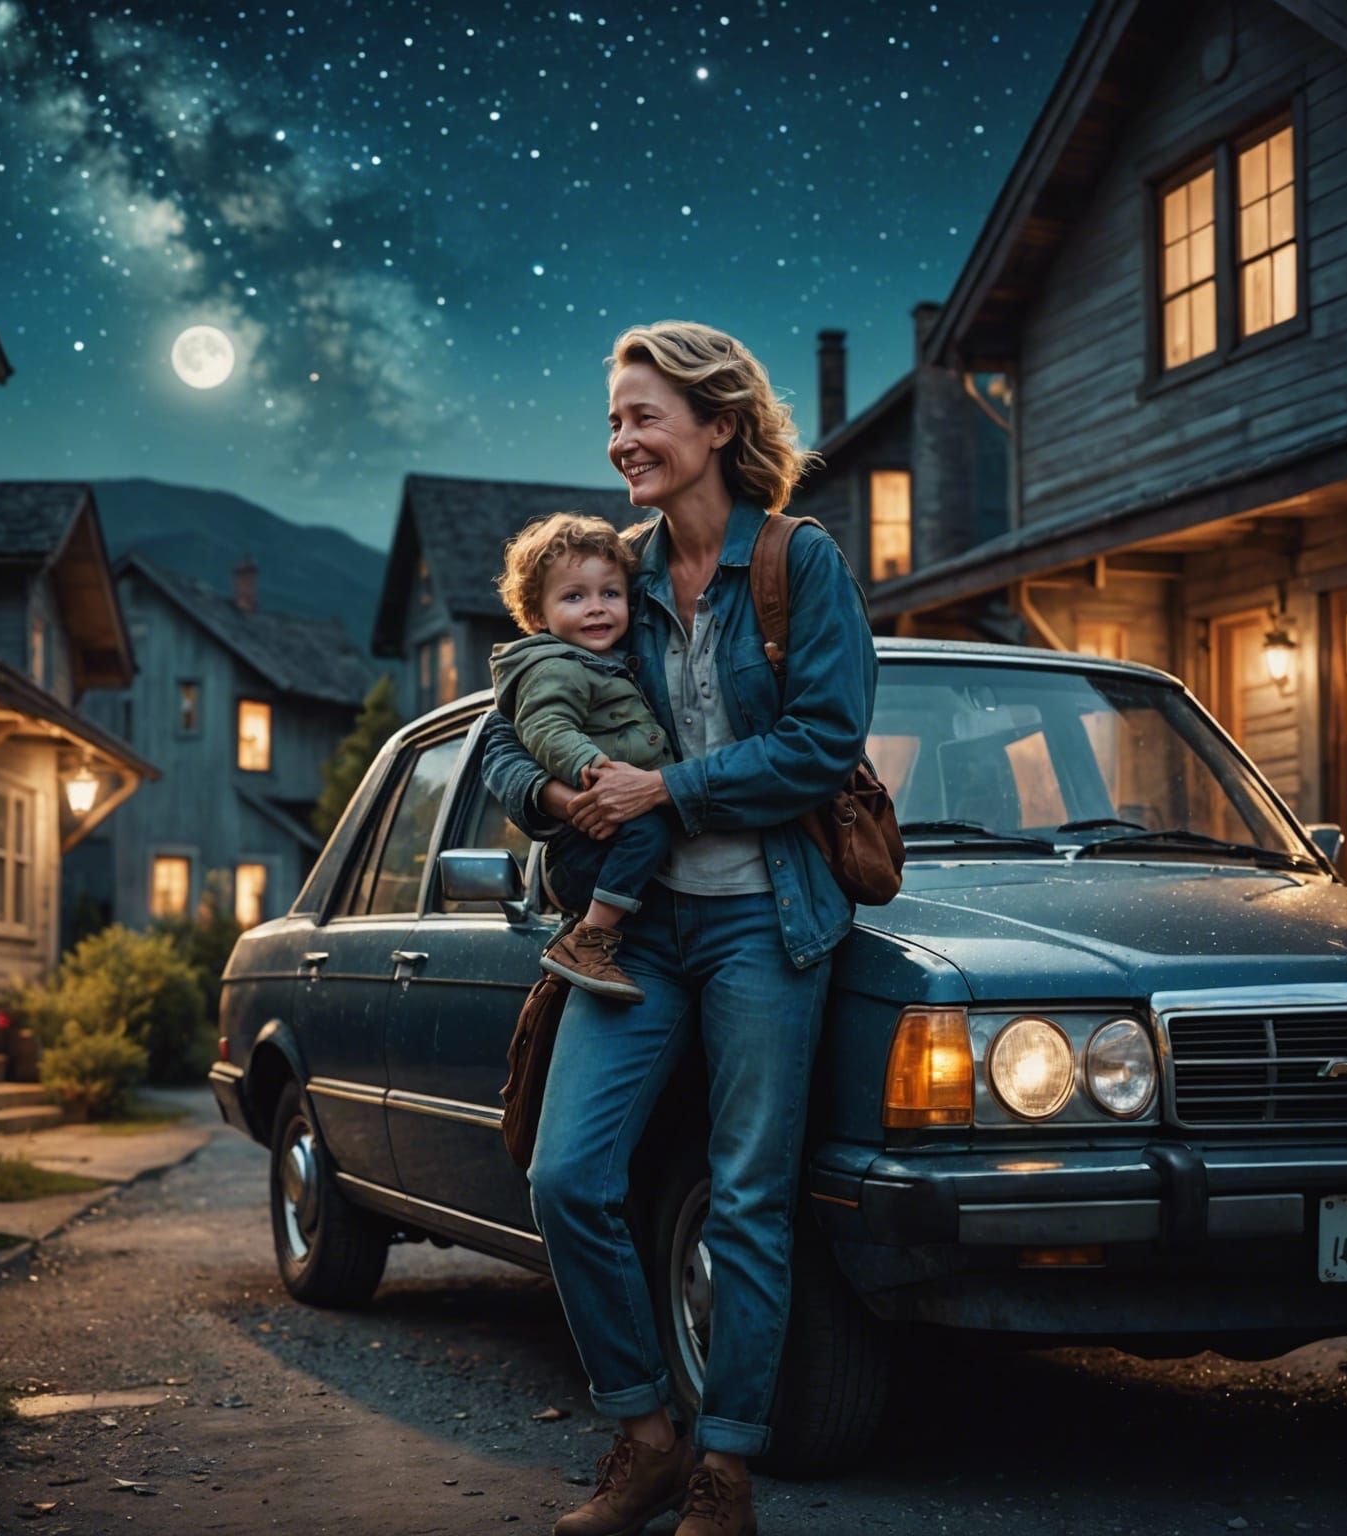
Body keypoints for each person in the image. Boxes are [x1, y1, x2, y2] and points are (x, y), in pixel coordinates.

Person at [481, 320, 876, 1536]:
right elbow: (509, 726)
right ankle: (647, 1435)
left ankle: (727, 1474)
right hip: (635, 929)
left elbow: (823, 742)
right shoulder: (615, 569)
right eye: (614, 420)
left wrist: (671, 791)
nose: (622, 440)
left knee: (750, 1197)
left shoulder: (799, 565)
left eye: (643, 417)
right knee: (565, 1176)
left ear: (717, 424)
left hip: (768, 922)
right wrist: (553, 793)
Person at [489, 511, 676, 1002]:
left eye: (610, 594)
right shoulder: (555, 666)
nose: (596, 608)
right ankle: (589, 939)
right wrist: (593, 771)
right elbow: (544, 727)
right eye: (574, 597)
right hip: (587, 843)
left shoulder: (608, 661)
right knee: (651, 827)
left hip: (614, 833)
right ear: (536, 616)